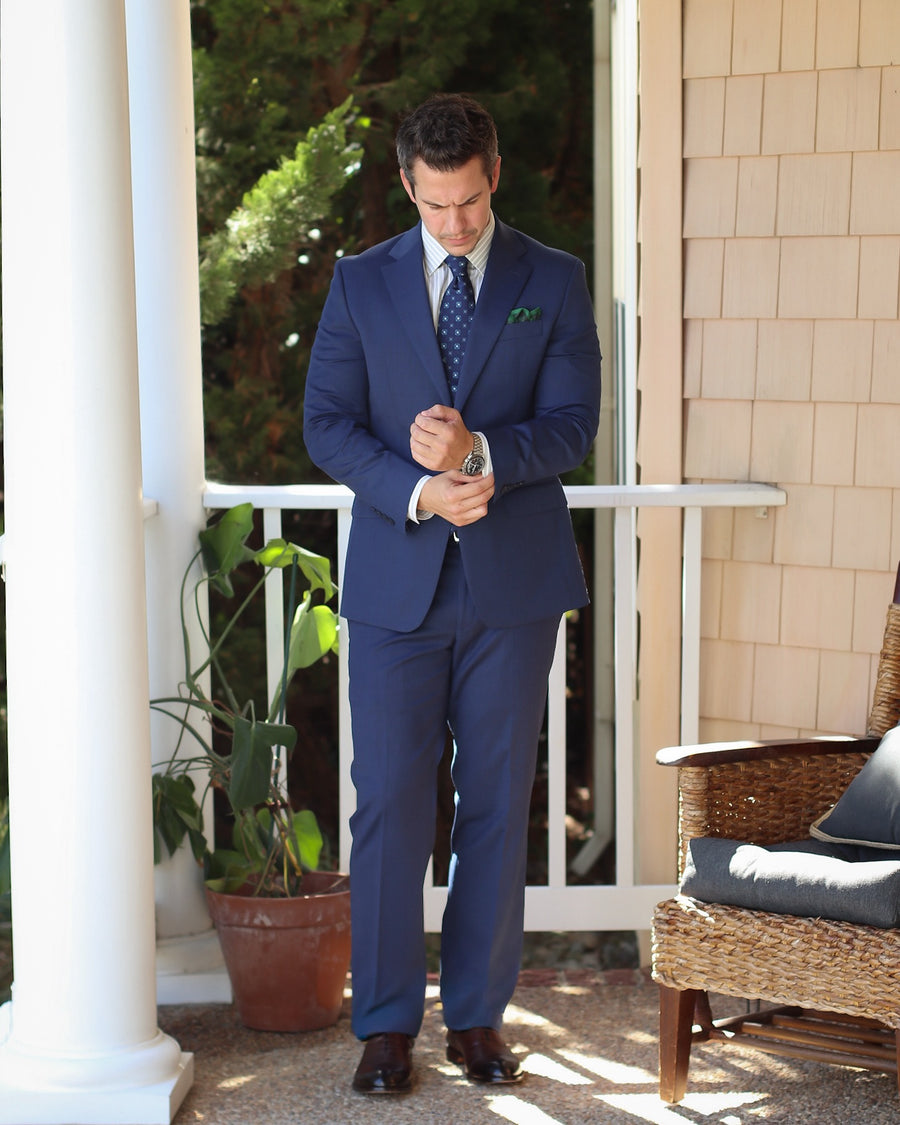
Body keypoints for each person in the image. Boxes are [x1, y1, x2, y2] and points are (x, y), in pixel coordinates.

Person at [303, 92, 602, 1095]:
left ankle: (476, 1017)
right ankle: (387, 1026)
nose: (456, 223)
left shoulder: (553, 279)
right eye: (436, 204)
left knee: (496, 804)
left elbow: (574, 423)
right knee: (389, 803)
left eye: (469, 200)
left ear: (494, 174)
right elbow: (328, 423)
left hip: (513, 586)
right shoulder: (359, 282)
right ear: (407, 184)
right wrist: (420, 488)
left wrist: (478, 455)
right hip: (398, 584)